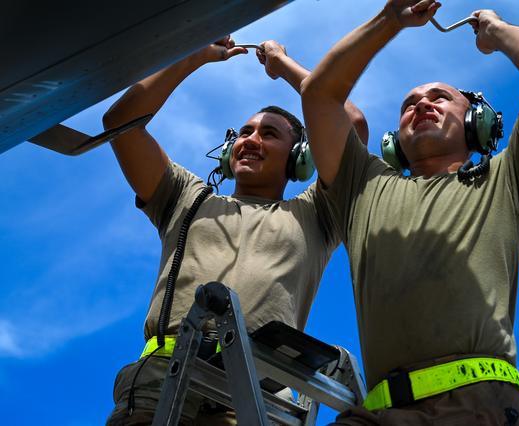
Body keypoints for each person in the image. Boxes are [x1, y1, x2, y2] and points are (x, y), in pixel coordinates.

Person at [301, 1, 519, 424]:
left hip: (478, 406)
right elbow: (320, 95)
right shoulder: (362, 186)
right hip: (379, 412)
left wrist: (495, 28)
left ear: (478, 123)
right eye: (409, 103)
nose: (422, 104)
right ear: (394, 140)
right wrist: (389, 20)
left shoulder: (510, 181)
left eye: (440, 98)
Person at [102, 36, 368, 425]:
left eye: (269, 134)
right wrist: (190, 56)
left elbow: (353, 125)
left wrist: (284, 66)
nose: (250, 141)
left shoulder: (317, 215)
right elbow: (121, 124)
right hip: (162, 383)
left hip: (258, 396)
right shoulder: (185, 197)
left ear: (301, 159)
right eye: (243, 133)